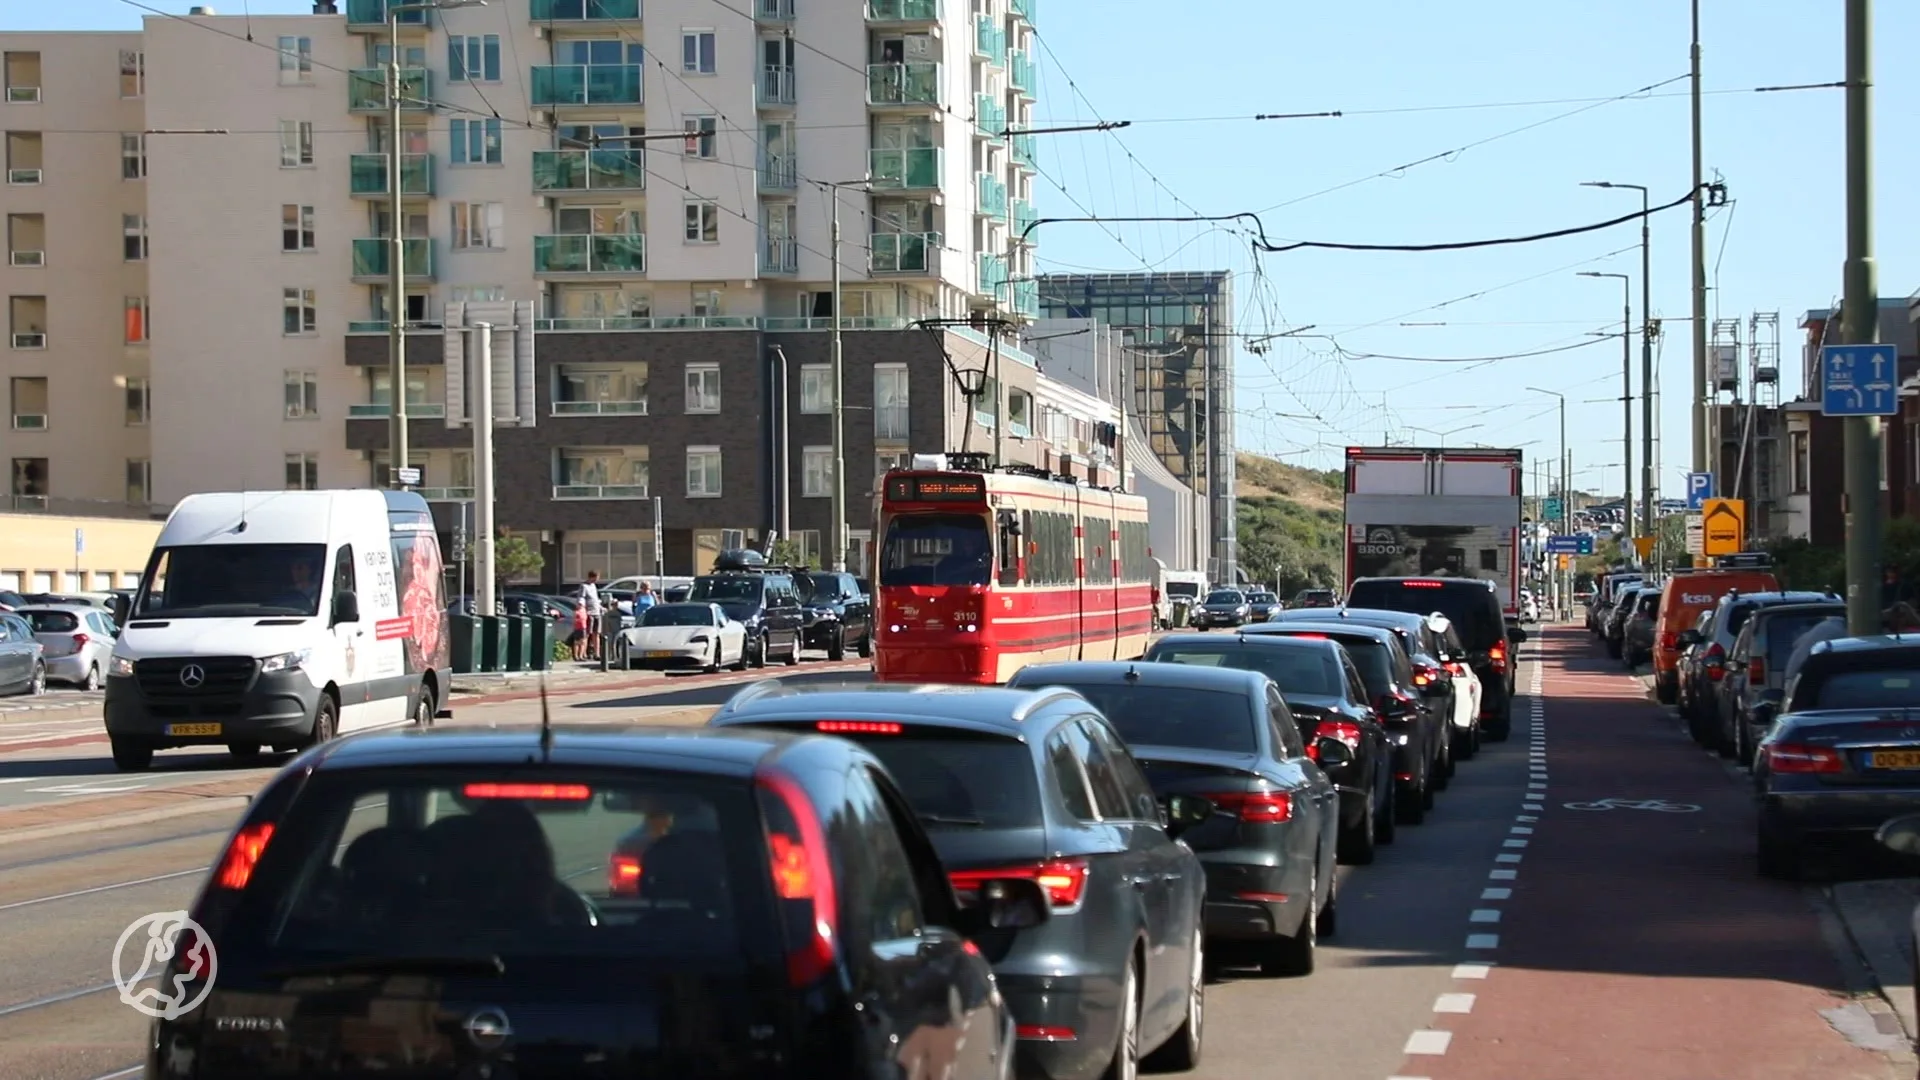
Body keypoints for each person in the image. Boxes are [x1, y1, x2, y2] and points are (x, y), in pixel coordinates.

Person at [579, 571, 603, 661]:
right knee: (587, 634)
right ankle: (583, 653)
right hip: (589, 613)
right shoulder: (584, 586)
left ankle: (597, 654)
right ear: (592, 577)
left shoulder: (594, 586)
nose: (597, 579)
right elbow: (581, 597)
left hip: (597, 612)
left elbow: (595, 599)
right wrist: (582, 607)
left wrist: (601, 607)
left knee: (596, 634)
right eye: (596, 577)